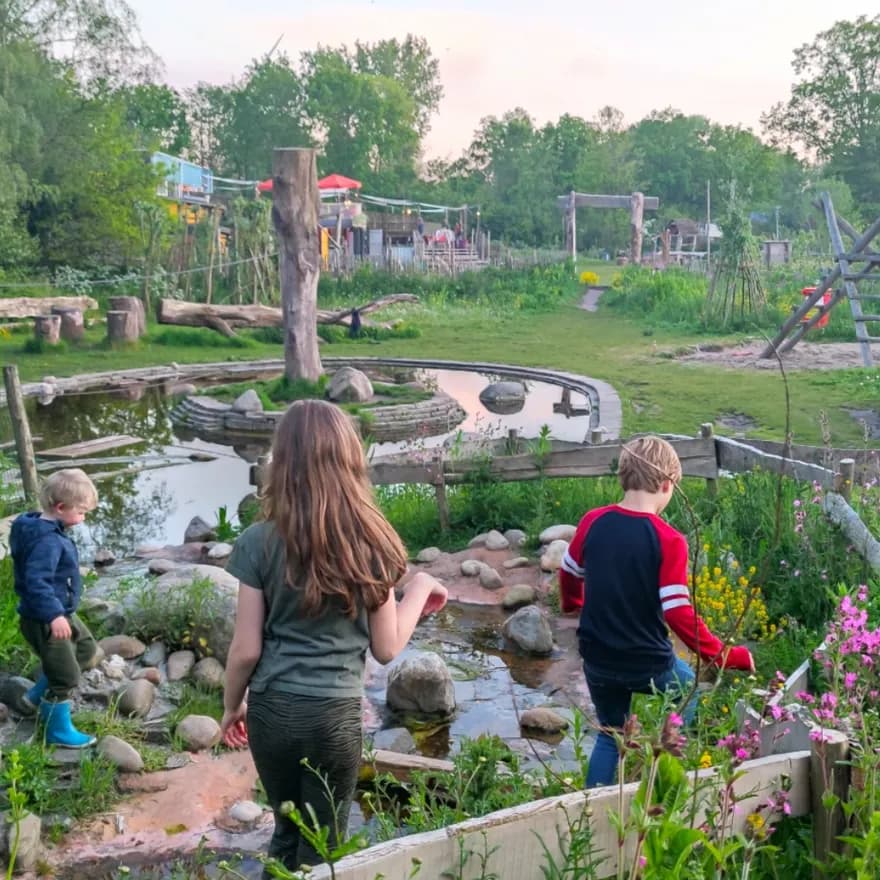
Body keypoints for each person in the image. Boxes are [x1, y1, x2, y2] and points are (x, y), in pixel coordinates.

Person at [221, 399, 448, 870]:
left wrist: (231, 706)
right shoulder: (372, 541)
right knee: (324, 847)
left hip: (272, 711)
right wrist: (420, 587)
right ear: (350, 460)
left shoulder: (256, 542)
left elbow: (246, 649)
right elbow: (387, 649)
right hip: (334, 717)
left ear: (281, 463)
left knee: (284, 835)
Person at [557, 436, 754, 787]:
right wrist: (726, 655)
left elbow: (570, 572)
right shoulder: (669, 539)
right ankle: (663, 761)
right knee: (688, 686)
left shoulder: (593, 521)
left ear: (623, 476)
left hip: (597, 655)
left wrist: (573, 604)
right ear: (667, 484)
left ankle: (590, 808)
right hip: (647, 661)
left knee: (610, 733)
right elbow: (678, 613)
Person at [10, 468, 99, 748]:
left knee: (86, 650)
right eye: (82, 512)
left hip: (60, 611)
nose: (83, 518)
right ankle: (55, 730)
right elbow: (37, 581)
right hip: (45, 618)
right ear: (60, 508)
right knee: (67, 676)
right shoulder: (46, 541)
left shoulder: (43, 526)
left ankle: (35, 695)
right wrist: (54, 615)